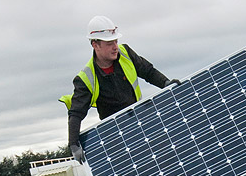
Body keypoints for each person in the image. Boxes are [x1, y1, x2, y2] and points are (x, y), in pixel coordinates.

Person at [60, 15, 179, 163]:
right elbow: (76, 113)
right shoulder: (86, 78)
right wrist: (73, 144)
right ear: (95, 45)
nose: (115, 46)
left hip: (139, 121)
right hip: (115, 135)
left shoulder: (125, 53)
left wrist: (166, 83)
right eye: (109, 43)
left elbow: (148, 71)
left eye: (116, 41)